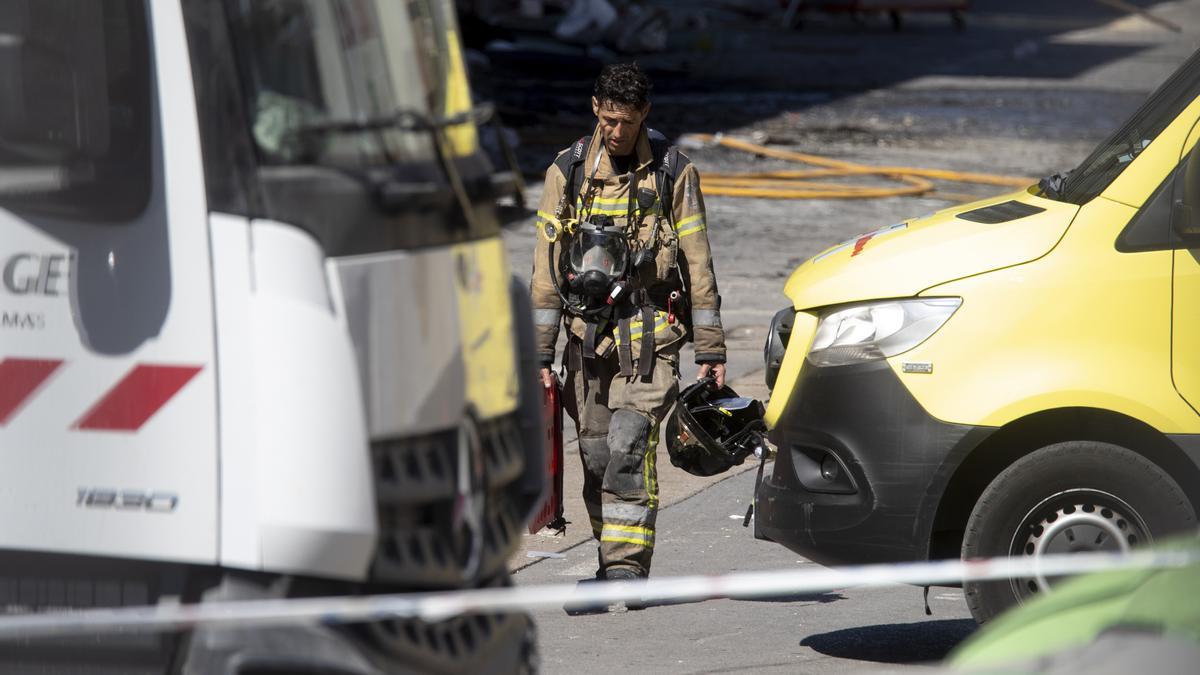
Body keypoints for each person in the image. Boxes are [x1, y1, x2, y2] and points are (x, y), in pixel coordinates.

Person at [530, 63, 727, 590]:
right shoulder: (566, 172)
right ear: (596, 107)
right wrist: (539, 357)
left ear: (645, 113)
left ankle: (627, 570)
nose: (617, 131)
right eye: (609, 118)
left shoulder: (673, 172)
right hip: (586, 341)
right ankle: (609, 558)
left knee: (627, 441)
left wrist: (711, 348)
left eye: (628, 121)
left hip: (649, 336)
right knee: (595, 453)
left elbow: (698, 261)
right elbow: (546, 272)